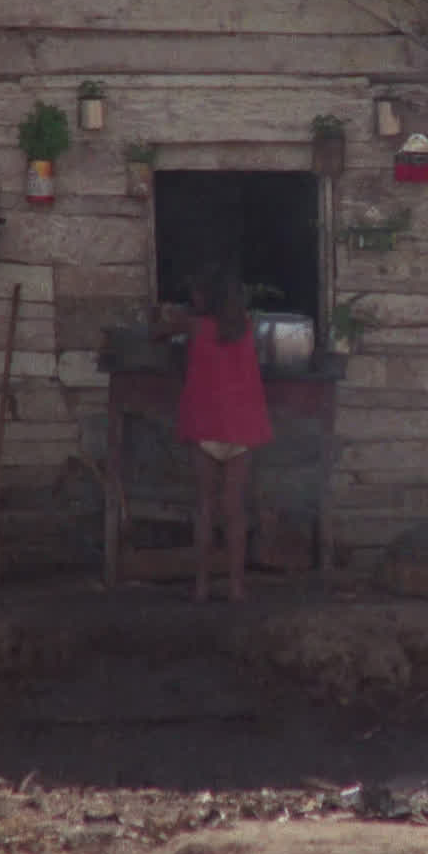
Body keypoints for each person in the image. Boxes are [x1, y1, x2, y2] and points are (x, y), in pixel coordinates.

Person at [154, 257, 273, 605]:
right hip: (242, 429)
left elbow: (156, 332)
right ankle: (236, 588)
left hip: (206, 427)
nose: (193, 296)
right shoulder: (246, 326)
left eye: (196, 292)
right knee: (234, 510)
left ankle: (202, 587)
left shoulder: (194, 325)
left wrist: (168, 315)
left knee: (205, 507)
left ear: (207, 295)